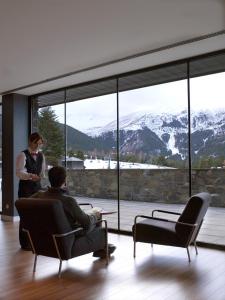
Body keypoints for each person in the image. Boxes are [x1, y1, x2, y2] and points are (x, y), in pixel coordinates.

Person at [32, 166, 116, 259]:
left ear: (49, 178)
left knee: (88, 216)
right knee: (96, 217)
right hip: (68, 234)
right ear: (64, 180)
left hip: (44, 238)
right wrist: (95, 214)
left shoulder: (38, 195)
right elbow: (87, 223)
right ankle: (101, 248)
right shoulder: (68, 200)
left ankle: (102, 247)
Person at [16, 132, 46, 249]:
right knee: (25, 216)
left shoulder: (41, 156)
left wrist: (41, 177)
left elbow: (42, 173)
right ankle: (25, 243)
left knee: (36, 216)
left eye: (40, 144)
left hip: (37, 189)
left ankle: (35, 242)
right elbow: (18, 172)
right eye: (36, 143)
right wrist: (29, 175)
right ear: (30, 142)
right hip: (25, 189)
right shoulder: (22, 155)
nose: (37, 146)